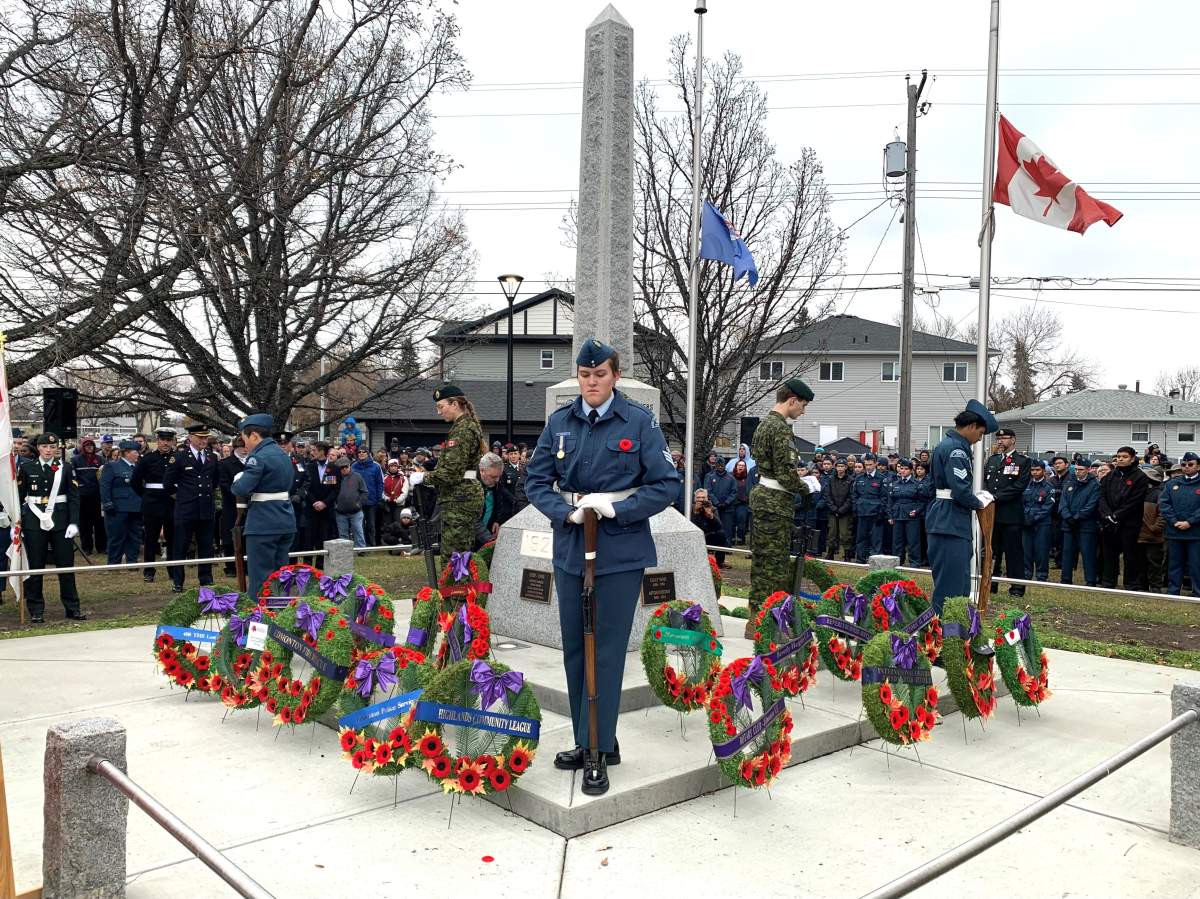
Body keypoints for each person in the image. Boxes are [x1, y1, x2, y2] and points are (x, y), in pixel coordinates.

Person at [525, 337, 677, 796]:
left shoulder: (638, 421)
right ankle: (584, 738)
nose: (592, 382)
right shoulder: (560, 422)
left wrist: (620, 509)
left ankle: (600, 747)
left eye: (600, 375)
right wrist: (562, 510)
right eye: (585, 375)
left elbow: (666, 484)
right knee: (575, 648)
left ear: (615, 375)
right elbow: (535, 480)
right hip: (573, 543)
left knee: (605, 651)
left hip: (619, 550)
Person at [748, 378, 817, 638]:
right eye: (803, 405)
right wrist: (806, 488)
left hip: (767, 500)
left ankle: (756, 619)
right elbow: (786, 475)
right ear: (792, 401)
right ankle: (770, 624)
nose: (803, 411)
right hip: (775, 503)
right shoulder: (779, 429)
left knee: (763, 563)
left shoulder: (764, 425)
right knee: (774, 567)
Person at [926, 400, 997, 614]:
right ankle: (946, 634)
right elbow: (960, 489)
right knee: (952, 584)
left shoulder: (949, 446)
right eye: (981, 433)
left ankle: (953, 630)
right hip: (950, 520)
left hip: (947, 517)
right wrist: (979, 502)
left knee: (956, 580)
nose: (979, 439)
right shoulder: (956, 450)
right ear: (971, 426)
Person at [409, 384, 484, 566]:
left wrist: (424, 477)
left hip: (460, 499)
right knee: (457, 555)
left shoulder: (462, 430)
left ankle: (455, 594)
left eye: (441, 406)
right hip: (460, 498)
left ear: (455, 404)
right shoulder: (465, 427)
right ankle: (456, 592)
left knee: (454, 558)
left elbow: (451, 473)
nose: (439, 412)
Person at [17, 433, 86, 623]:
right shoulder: (26, 467)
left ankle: (72, 607)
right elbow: (19, 496)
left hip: (60, 521)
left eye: (52, 447)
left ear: (57, 449)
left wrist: (74, 522)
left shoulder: (66, 468)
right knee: (35, 567)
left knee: (65, 566)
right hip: (34, 521)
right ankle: (36, 609)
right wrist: (18, 522)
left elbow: (73, 498)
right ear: (38, 448)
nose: (48, 450)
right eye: (45, 447)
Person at [230, 415, 297, 594]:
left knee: (260, 579)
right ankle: (279, 619)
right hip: (285, 520)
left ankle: (259, 620)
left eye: (244, 439)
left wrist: (237, 481)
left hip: (263, 523)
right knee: (280, 578)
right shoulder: (282, 454)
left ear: (253, 436)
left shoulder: (258, 457)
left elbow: (241, 488)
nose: (244, 444)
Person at [164, 423, 218, 593]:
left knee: (206, 546)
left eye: (205, 437)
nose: (204, 440)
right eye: (200, 437)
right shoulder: (179, 457)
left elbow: (214, 481)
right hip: (186, 509)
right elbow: (168, 484)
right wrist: (182, 498)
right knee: (180, 546)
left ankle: (206, 579)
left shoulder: (211, 456)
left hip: (206, 509)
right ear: (190, 438)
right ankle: (178, 581)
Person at [984, 428, 1031, 597]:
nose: (1000, 441)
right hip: (993, 514)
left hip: (1011, 514)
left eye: (1004, 438)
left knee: (1014, 553)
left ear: (1013, 440)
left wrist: (995, 497)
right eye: (998, 438)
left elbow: (1019, 486)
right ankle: (991, 584)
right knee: (991, 551)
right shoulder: (993, 460)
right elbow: (986, 482)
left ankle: (1017, 587)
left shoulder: (1022, 461)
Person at [1098, 445, 1150, 591]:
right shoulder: (1110, 476)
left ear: (1132, 459)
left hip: (1129, 524)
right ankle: (1108, 582)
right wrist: (1107, 515)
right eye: (1119, 456)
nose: (1120, 459)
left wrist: (1117, 515)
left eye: (1124, 457)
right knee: (1109, 554)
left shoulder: (1140, 477)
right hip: (1109, 523)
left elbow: (1135, 501)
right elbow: (1101, 496)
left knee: (1131, 555)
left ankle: (1130, 584)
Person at [132, 427, 177, 584]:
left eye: (168, 440)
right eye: (163, 440)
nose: (165, 443)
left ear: (172, 441)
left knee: (172, 539)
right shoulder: (147, 459)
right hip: (152, 503)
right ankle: (149, 571)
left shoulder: (177, 458)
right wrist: (145, 495)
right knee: (151, 539)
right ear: (157, 441)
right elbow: (135, 481)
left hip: (172, 503)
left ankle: (173, 570)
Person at [1160, 451, 1200, 596]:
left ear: (1198, 466)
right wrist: (1174, 521)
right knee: (1175, 564)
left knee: (1196, 565)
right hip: (1175, 531)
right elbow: (1164, 504)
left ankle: (1197, 593)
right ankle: (1173, 591)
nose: (1186, 467)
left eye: (1190, 464)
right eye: (1184, 464)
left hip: (1195, 533)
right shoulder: (1172, 484)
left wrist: (1190, 522)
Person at [99, 439, 142, 565]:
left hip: (136, 506)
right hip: (118, 508)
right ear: (127, 453)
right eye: (135, 452)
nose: (138, 454)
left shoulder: (138, 467)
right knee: (116, 537)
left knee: (134, 536)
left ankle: (132, 562)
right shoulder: (112, 466)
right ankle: (114, 563)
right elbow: (105, 486)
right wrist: (107, 504)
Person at [1059, 459, 1101, 586]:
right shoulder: (1069, 483)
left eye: (1081, 469)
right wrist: (1068, 516)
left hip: (1086, 525)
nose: (1078, 472)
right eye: (1076, 469)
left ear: (1088, 470)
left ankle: (1090, 580)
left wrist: (1078, 517)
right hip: (1069, 524)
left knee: (1088, 554)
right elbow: (1063, 502)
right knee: (1067, 552)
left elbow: (1092, 505)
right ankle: (1066, 578)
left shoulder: (1095, 485)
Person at [887, 458, 927, 567]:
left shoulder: (917, 484)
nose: (903, 471)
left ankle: (914, 563)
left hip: (911, 516)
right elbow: (890, 501)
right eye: (901, 468)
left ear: (910, 470)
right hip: (898, 515)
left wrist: (916, 511)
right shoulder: (895, 484)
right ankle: (898, 563)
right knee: (897, 542)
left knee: (913, 541)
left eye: (905, 469)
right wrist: (890, 515)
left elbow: (923, 501)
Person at [217, 436, 248, 577]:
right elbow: (223, 483)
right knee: (231, 535)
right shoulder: (225, 463)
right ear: (235, 447)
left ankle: (247, 565)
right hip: (232, 505)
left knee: (247, 535)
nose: (245, 450)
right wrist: (238, 495)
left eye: (246, 447)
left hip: (251, 504)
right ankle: (230, 566)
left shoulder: (252, 462)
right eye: (242, 447)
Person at [71, 437, 106, 555]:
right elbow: (73, 477)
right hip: (83, 496)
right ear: (83, 447)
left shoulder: (100, 459)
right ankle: (87, 547)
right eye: (87, 446)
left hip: (98, 495)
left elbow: (104, 475)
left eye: (91, 445)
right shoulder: (75, 460)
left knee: (100, 523)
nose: (89, 447)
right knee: (85, 524)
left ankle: (102, 547)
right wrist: (79, 487)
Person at [1021, 460, 1055, 582]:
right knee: (1026, 550)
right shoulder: (1027, 485)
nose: (1035, 473)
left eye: (1037, 470)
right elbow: (1022, 503)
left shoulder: (1048, 487)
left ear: (1043, 471)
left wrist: (1034, 518)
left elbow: (1048, 507)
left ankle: (1041, 575)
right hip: (1026, 522)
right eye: (1033, 470)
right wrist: (1024, 518)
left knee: (1041, 550)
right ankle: (1026, 573)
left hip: (1042, 524)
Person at [476, 452, 517, 547]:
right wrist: (490, 540)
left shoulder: (495, 481)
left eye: (499, 476)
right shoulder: (469, 486)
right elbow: (473, 520)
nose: (497, 480)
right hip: (471, 537)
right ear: (482, 471)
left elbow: (499, 502)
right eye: (494, 477)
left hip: (487, 531)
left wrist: (497, 520)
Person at [852, 453, 885, 562]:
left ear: (875, 464)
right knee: (861, 538)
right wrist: (855, 508)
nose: (868, 467)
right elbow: (854, 495)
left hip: (875, 513)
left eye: (870, 464)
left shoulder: (881, 478)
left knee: (876, 539)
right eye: (866, 465)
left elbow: (884, 497)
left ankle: (875, 561)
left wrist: (881, 512)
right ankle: (860, 559)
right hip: (862, 512)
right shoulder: (860, 477)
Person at [1138, 463, 1167, 593]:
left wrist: (1155, 528)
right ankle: (1142, 586)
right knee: (1141, 562)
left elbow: (1163, 514)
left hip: (1153, 536)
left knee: (1154, 562)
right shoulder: (1138, 493)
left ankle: (1155, 587)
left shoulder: (1159, 494)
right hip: (1139, 534)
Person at [331, 456, 368, 547]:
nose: (344, 469)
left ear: (350, 466)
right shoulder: (334, 478)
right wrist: (335, 505)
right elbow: (329, 492)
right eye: (341, 467)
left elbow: (364, 492)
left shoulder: (357, 476)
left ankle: (361, 551)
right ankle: (345, 552)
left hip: (356, 511)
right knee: (343, 534)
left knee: (358, 532)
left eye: (346, 466)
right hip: (340, 512)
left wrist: (359, 504)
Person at [352, 445, 384, 545]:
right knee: (359, 525)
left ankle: (372, 545)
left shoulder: (376, 466)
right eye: (359, 452)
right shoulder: (353, 466)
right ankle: (361, 545)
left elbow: (380, 483)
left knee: (371, 525)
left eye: (363, 452)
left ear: (368, 453)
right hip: (358, 501)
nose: (361, 453)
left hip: (372, 501)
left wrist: (378, 498)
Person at [825, 458, 854, 562]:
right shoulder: (830, 479)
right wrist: (833, 508)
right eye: (838, 466)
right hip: (833, 511)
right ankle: (830, 553)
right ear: (835, 467)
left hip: (845, 512)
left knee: (845, 534)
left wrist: (842, 510)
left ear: (846, 467)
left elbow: (851, 497)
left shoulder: (850, 480)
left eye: (842, 466)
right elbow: (827, 495)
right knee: (832, 533)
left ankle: (846, 555)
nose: (840, 468)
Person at [703, 453, 736, 542]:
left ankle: (727, 546)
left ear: (725, 466)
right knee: (714, 527)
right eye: (718, 465)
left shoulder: (731, 478)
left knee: (727, 528)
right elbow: (708, 491)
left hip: (727, 508)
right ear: (716, 466)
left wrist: (726, 502)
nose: (720, 467)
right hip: (714, 508)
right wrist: (716, 502)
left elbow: (734, 492)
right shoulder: (710, 477)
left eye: (722, 465)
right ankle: (715, 546)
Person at [692, 487, 728, 566]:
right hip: (694, 536)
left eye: (703, 497)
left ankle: (720, 562)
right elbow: (690, 527)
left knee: (721, 534)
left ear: (707, 498)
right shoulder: (690, 509)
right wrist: (696, 513)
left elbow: (719, 527)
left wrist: (710, 515)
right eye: (698, 498)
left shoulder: (712, 508)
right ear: (695, 499)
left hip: (708, 536)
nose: (701, 500)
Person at [730, 459, 755, 545]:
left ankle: (741, 538)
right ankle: (732, 538)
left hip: (743, 503)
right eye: (739, 465)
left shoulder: (747, 477)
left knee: (742, 521)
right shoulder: (731, 477)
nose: (741, 467)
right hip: (732, 503)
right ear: (736, 466)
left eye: (742, 465)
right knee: (732, 521)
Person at [382, 458, 410, 528]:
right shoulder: (384, 478)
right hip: (387, 505)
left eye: (395, 466)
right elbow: (381, 490)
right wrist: (386, 498)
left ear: (397, 467)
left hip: (398, 506)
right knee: (387, 525)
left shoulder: (403, 478)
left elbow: (405, 492)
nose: (393, 468)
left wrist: (398, 500)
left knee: (398, 525)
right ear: (389, 467)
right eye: (391, 466)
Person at [502, 443, 528, 513]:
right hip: (509, 504)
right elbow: (502, 488)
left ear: (519, 455)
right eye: (511, 454)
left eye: (515, 453)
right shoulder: (504, 469)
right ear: (508, 455)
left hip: (522, 504)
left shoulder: (524, 468)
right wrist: (513, 499)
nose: (513, 456)